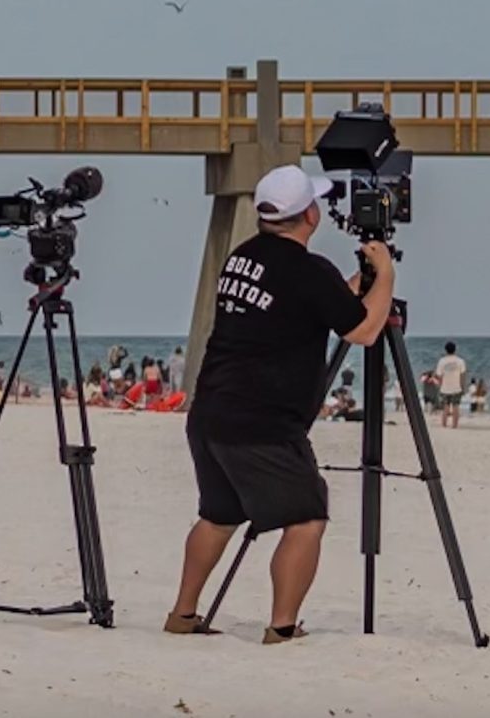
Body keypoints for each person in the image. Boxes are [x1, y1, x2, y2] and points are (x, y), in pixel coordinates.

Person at [168, 164, 392, 645]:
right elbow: (365, 331)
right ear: (310, 214)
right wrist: (387, 274)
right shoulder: (309, 271)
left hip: (211, 412)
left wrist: (359, 282)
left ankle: (183, 614)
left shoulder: (242, 258)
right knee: (307, 519)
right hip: (263, 423)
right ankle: (282, 627)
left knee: (219, 515)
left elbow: (313, 302)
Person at [436, 341, 468, 430]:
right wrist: (463, 386)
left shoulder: (442, 361)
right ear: (455, 349)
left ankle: (444, 424)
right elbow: (463, 375)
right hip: (456, 387)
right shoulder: (460, 361)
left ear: (445, 350)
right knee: (456, 406)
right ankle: (454, 425)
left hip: (445, 387)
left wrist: (439, 386)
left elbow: (439, 375)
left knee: (445, 407)